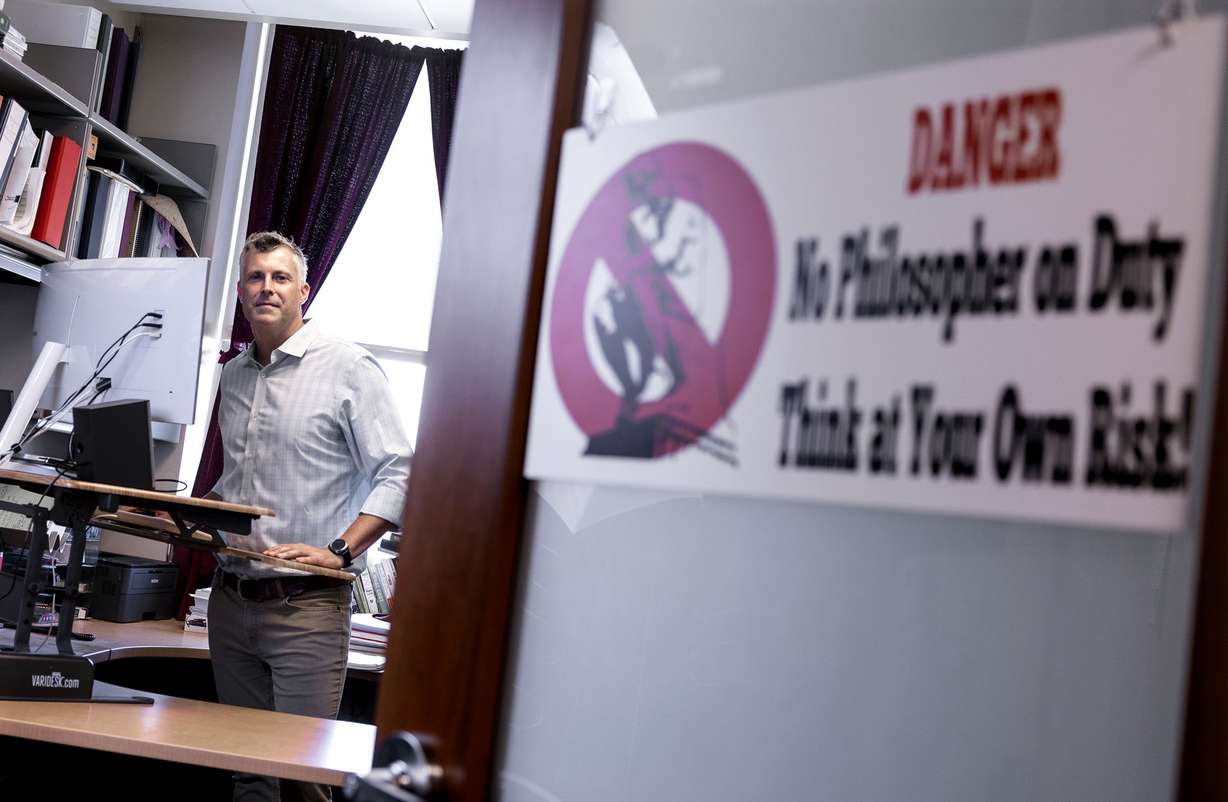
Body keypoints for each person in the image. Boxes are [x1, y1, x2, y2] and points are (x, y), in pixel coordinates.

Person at [207, 231, 411, 802]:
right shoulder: (234, 375)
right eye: (254, 277)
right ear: (242, 292)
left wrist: (340, 551)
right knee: (247, 774)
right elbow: (238, 483)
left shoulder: (349, 367)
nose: (265, 288)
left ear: (304, 290)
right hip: (229, 602)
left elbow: (401, 472)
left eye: (279, 277)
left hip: (307, 608)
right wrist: (184, 517)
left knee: (303, 780)